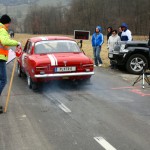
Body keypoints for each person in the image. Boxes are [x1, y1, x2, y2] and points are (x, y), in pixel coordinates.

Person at [0, 14, 21, 113]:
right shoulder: (2, 29)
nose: (9, 25)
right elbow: (4, 41)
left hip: (2, 58)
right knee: (3, 80)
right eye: (9, 23)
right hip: (0, 59)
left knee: (1, 80)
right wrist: (17, 43)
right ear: (6, 22)